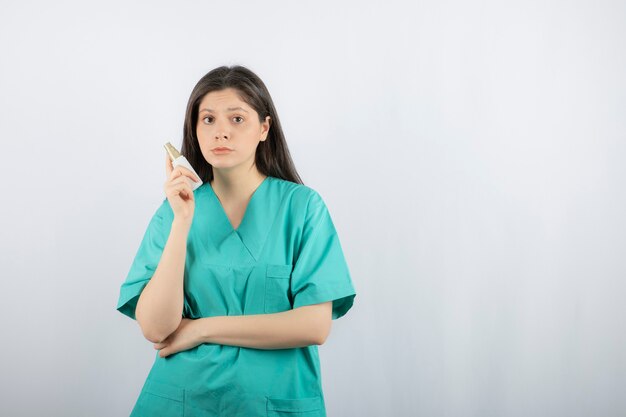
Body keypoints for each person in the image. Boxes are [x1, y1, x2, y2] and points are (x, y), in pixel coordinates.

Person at [116, 65, 357, 417]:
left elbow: (314, 326)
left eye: (237, 119)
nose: (221, 133)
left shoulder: (303, 209)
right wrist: (183, 221)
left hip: (273, 404)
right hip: (181, 402)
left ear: (264, 128)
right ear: (194, 130)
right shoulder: (173, 214)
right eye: (208, 120)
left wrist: (201, 330)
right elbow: (155, 327)